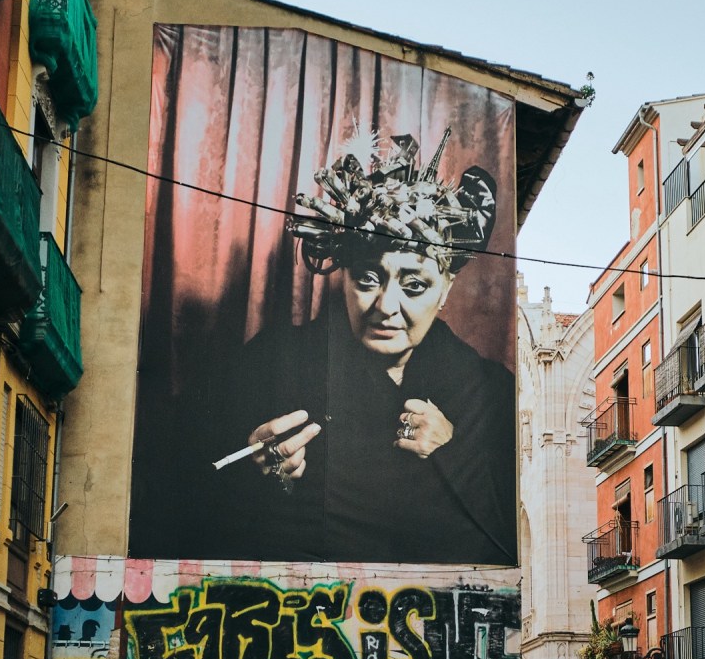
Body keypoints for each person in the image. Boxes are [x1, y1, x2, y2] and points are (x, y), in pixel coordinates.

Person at [206, 130, 515, 565]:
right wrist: (252, 471)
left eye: (414, 285)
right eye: (368, 279)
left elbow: (510, 536)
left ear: (446, 288)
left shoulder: (490, 392)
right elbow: (193, 496)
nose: (387, 307)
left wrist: (453, 453)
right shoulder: (268, 363)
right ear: (343, 276)